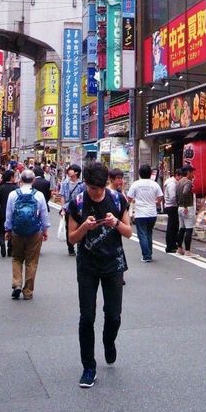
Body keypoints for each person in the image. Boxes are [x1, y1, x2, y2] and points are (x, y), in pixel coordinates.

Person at [67, 161, 131, 388]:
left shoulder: (116, 199)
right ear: (86, 184)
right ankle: (88, 367)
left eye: (101, 188)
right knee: (87, 317)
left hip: (113, 264)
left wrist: (115, 224)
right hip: (87, 266)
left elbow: (129, 232)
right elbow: (72, 238)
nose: (97, 193)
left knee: (113, 315)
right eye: (93, 189)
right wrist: (85, 227)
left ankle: (108, 341)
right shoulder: (77, 202)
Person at [4, 168, 50, 300]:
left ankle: (17, 284)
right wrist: (45, 230)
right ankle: (28, 291)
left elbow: (9, 214)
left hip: (17, 230)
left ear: (20, 180)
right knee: (32, 261)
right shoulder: (39, 195)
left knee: (17, 258)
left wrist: (8, 230)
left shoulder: (13, 194)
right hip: (34, 231)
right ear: (34, 180)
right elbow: (44, 214)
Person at [127, 163, 162, 262]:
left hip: (141, 213)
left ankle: (147, 256)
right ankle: (149, 253)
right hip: (152, 213)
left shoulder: (136, 184)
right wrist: (156, 202)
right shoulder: (154, 184)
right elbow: (160, 197)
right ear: (150, 174)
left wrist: (127, 207)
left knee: (142, 234)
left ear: (139, 173)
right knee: (149, 233)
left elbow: (129, 198)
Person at [60, 164, 85, 256]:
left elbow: (83, 197)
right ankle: (70, 247)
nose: (69, 171)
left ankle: (79, 246)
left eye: (71, 170)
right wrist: (62, 208)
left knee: (80, 227)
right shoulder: (65, 183)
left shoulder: (82, 184)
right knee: (68, 228)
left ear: (76, 172)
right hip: (67, 209)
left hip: (79, 209)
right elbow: (62, 196)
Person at [0, 168, 17, 257]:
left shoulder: (1, 188)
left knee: (2, 231)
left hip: (3, 212)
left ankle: (2, 242)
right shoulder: (16, 188)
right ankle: (10, 248)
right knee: (12, 231)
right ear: (11, 177)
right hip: (14, 213)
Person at [176, 165, 196, 255]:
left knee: (182, 228)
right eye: (192, 172)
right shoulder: (188, 182)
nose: (193, 174)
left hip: (180, 207)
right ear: (188, 172)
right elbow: (185, 192)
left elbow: (176, 195)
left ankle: (179, 248)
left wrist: (180, 204)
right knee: (189, 229)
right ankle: (187, 250)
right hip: (187, 207)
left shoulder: (179, 182)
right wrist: (185, 206)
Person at [162, 168, 182, 253]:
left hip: (171, 206)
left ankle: (173, 244)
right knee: (172, 226)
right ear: (177, 176)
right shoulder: (172, 184)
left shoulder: (172, 183)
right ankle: (170, 246)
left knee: (173, 226)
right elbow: (172, 197)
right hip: (172, 206)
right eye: (180, 177)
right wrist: (178, 203)